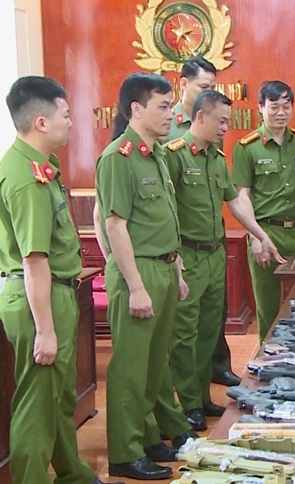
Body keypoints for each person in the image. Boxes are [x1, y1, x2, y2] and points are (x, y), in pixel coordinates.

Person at [0, 76, 113, 484]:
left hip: (59, 292)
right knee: (37, 405)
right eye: (65, 115)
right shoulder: (26, 178)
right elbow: (34, 260)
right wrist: (45, 330)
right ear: (42, 122)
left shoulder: (42, 168)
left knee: (59, 396)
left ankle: (72, 473)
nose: (71, 122)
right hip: (38, 301)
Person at [96, 73, 197, 480]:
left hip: (164, 267)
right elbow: (114, 225)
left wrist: (177, 268)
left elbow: (161, 218)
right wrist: (136, 287)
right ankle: (125, 452)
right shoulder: (118, 157)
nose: (171, 113)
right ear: (136, 109)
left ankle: (149, 437)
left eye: (171, 106)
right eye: (163, 106)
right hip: (137, 273)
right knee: (131, 369)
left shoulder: (155, 154)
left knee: (156, 364)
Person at [164, 90, 280, 430]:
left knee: (208, 332)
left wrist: (260, 235)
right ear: (200, 116)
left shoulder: (216, 158)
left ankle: (202, 397)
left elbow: (235, 202)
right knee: (184, 336)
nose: (225, 128)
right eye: (221, 121)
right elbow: (165, 211)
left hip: (215, 256)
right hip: (188, 256)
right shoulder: (174, 156)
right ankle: (189, 404)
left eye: (228, 122)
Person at [163, 56, 240, 388]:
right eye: (203, 86)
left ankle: (206, 384)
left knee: (211, 323)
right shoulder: (169, 132)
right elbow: (164, 204)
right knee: (184, 329)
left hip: (213, 244)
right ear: (183, 84)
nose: (223, 128)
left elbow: (226, 193)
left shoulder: (214, 143)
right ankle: (188, 395)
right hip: (185, 248)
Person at [232, 80, 295, 342]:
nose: (281, 112)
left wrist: (289, 206)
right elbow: (242, 195)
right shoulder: (247, 147)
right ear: (261, 107)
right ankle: (267, 355)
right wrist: (256, 236)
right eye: (274, 106)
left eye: (286, 106)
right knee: (267, 304)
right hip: (265, 232)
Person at [167, 56, 217, 141]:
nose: (209, 93)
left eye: (212, 88)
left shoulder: (213, 124)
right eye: (204, 87)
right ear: (184, 83)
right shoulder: (167, 122)